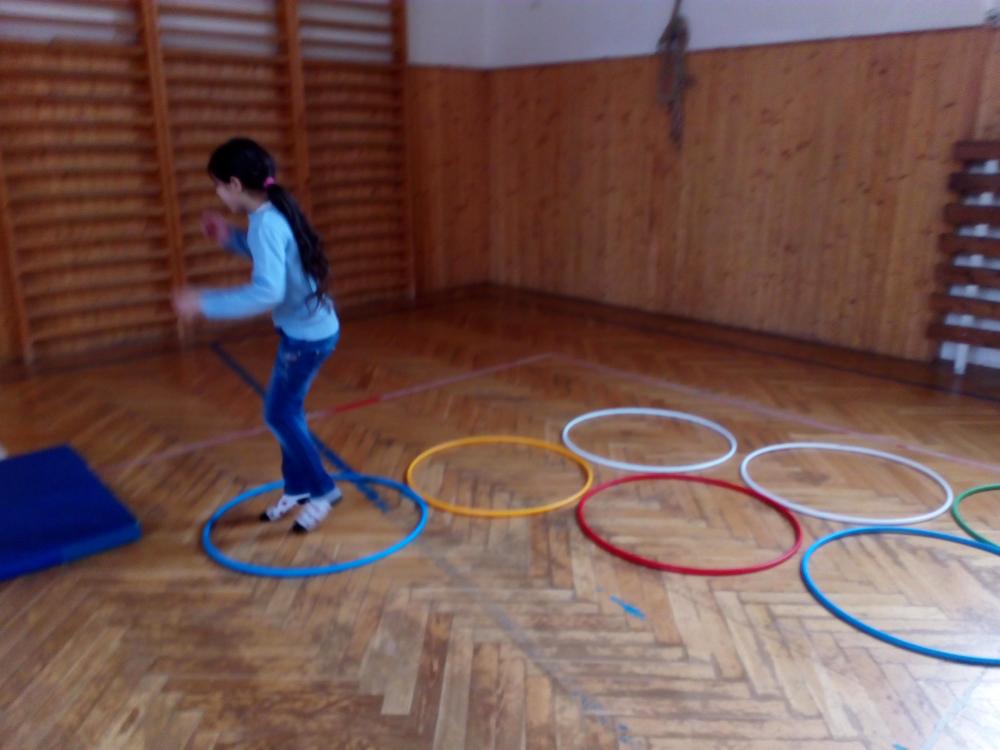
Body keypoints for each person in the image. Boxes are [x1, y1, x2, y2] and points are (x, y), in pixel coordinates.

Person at [174, 137, 341, 533]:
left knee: (279, 414)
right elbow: (273, 256)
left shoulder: (266, 221)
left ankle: (322, 490)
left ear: (234, 185)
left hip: (307, 339)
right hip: (310, 331)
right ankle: (299, 487)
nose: (217, 193)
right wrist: (229, 238)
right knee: (287, 412)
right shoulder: (270, 213)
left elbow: (268, 291)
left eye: (217, 185)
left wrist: (205, 303)